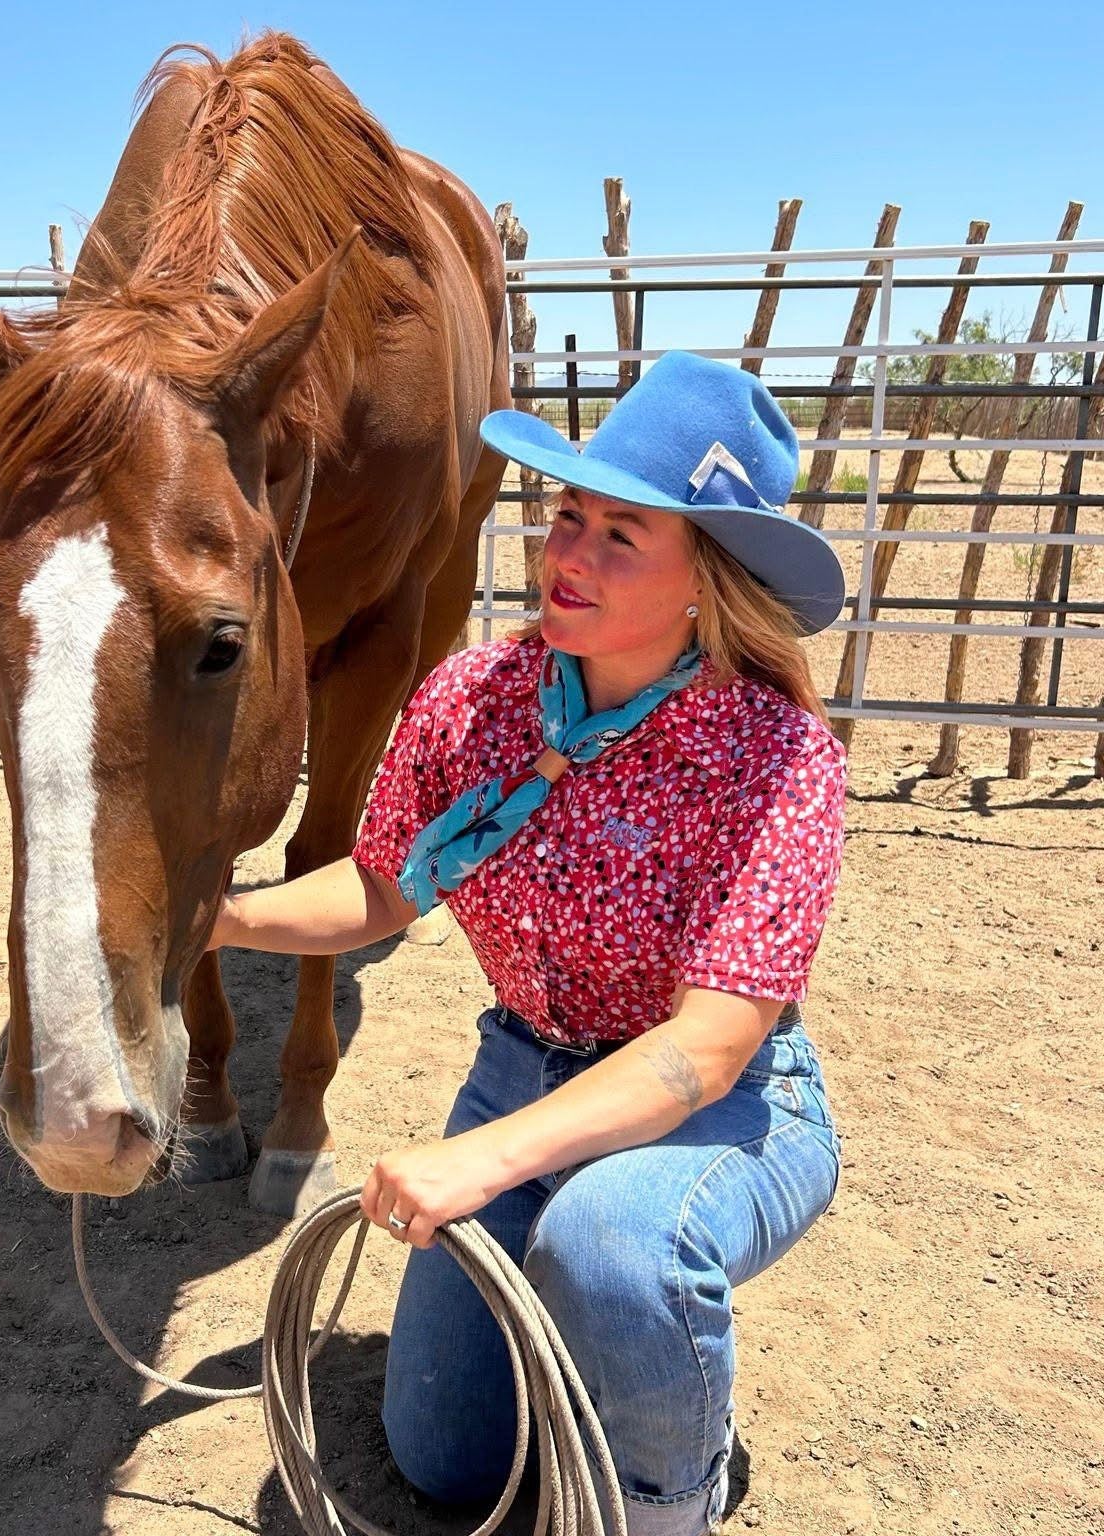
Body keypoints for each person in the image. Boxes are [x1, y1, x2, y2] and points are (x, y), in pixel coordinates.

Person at [207, 351, 848, 1536]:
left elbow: (705, 1051)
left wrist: (486, 1162)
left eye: (621, 536)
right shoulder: (475, 699)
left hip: (729, 1106)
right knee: (442, 1458)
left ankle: (666, 1505)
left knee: (610, 1242)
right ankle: (605, 1336)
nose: (567, 556)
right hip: (524, 1064)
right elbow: (386, 889)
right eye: (567, 516)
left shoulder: (778, 757)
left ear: (705, 577)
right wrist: (220, 918)